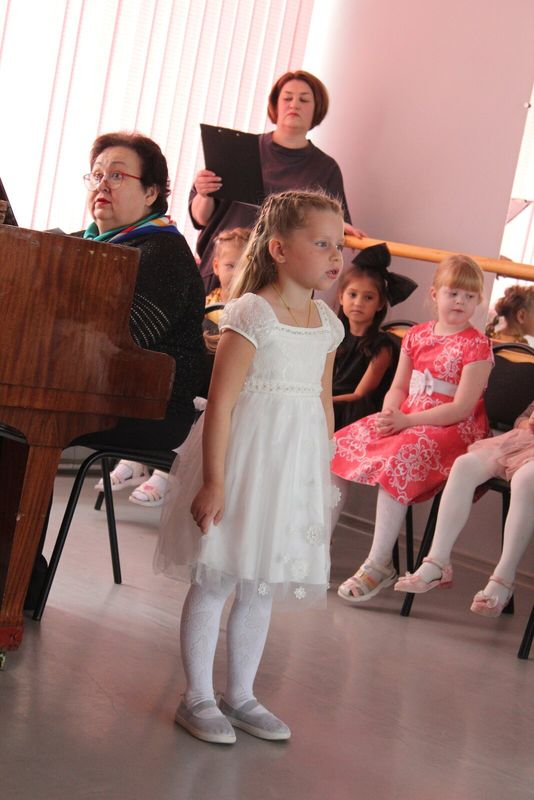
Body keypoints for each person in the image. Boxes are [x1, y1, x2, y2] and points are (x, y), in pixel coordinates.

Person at [154, 190, 345, 744]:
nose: (335, 255)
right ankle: (197, 696)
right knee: (218, 576)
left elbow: (323, 399)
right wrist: (215, 481)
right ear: (280, 249)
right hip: (244, 463)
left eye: (339, 245)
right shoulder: (251, 313)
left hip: (290, 470)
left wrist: (321, 465)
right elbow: (222, 403)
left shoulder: (327, 323)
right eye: (321, 243)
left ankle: (240, 695)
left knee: (260, 583)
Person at [25, 131, 206, 609]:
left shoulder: (164, 253)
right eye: (97, 174)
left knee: (27, 428)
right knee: (19, 422)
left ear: (151, 193)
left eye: (118, 175)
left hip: (151, 405)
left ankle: (19, 579)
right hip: (88, 388)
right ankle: (18, 572)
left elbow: (121, 339)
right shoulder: (85, 245)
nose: (103, 184)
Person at [331, 255, 494, 604]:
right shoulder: (416, 335)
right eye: (453, 293)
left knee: (400, 456)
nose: (460, 302)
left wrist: (406, 422)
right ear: (435, 294)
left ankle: (378, 563)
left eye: (469, 296)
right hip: (409, 415)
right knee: (337, 445)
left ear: (478, 301)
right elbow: (399, 387)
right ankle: (317, 547)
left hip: (453, 427)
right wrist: (391, 411)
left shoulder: (477, 345)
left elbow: (462, 408)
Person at [103, 227, 253, 507]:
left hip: (217, 391)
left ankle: (165, 473)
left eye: (242, 266)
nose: (235, 273)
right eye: (230, 265)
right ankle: (134, 463)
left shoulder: (248, 310)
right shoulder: (206, 301)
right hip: (194, 379)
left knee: (197, 412)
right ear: (216, 266)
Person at [190, 70, 363, 293]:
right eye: (287, 98)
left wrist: (335, 226)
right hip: (225, 272)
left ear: (316, 108)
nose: (294, 105)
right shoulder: (238, 149)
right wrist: (204, 192)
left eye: (304, 100)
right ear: (275, 105)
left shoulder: (325, 168)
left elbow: (332, 228)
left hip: (281, 280)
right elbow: (201, 218)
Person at [394, 401, 534, 617]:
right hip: (524, 441)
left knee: (525, 480)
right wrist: (528, 423)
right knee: (464, 465)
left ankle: (504, 579)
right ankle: (437, 562)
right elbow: (521, 419)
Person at [333, 243, 417, 430]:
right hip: (329, 401)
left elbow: (359, 395)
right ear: (341, 297)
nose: (358, 303)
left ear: (380, 304)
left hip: (355, 413)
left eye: (368, 297)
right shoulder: (334, 335)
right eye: (352, 294)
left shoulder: (382, 347)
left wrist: (321, 402)